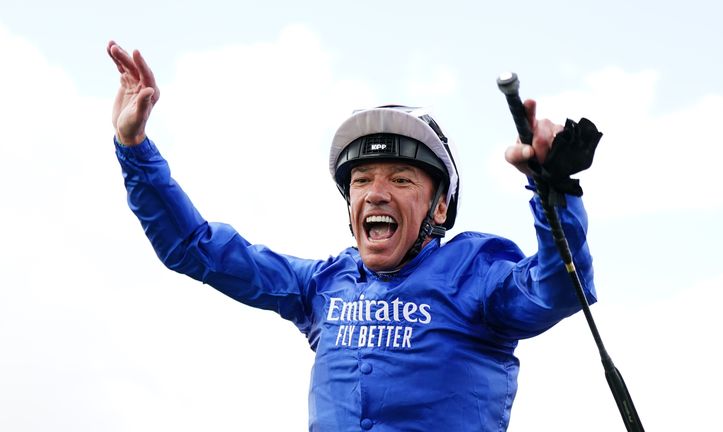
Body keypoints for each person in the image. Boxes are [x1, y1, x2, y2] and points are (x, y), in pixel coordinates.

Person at [107, 40, 596, 432]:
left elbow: (555, 289)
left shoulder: (475, 275)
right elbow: (195, 248)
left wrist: (552, 188)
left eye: (401, 180)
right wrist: (134, 148)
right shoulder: (321, 284)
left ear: (439, 206)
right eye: (362, 180)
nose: (376, 194)